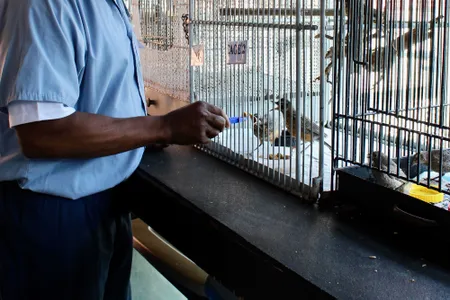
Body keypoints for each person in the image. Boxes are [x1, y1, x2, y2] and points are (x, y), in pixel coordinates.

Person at [0, 0, 229, 299]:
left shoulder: (110, 4)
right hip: (51, 214)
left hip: (103, 202)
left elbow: (94, 91)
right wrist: (164, 127)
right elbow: (42, 132)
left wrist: (142, 131)